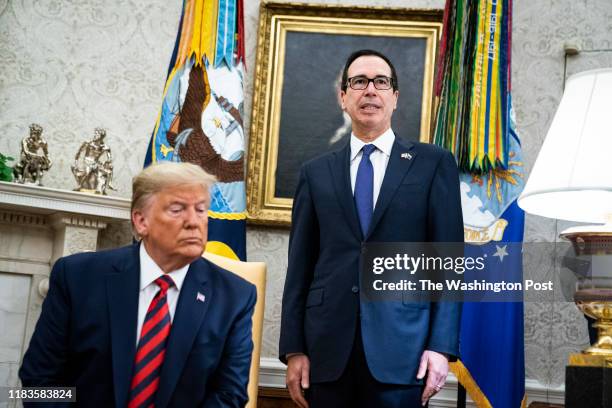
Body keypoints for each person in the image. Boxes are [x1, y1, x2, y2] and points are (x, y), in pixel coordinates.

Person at [279, 50, 463, 408]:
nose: (370, 90)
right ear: (343, 97)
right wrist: (294, 349)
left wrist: (441, 347)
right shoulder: (315, 172)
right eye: (358, 82)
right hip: (327, 351)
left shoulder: (432, 164)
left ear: (395, 97)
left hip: (403, 350)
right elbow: (299, 267)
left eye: (381, 82)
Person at [20, 162, 256, 407]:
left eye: (201, 210)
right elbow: (38, 383)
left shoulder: (235, 297)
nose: (193, 222)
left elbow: (229, 396)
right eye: (177, 209)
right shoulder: (77, 277)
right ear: (141, 221)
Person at [71, 127, 115, 194]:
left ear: (101, 137)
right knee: (88, 170)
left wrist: (107, 161)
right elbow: (78, 153)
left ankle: (106, 185)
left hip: (96, 162)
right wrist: (76, 162)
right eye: (95, 134)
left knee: (108, 169)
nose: (95, 135)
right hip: (87, 161)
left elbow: (109, 158)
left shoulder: (105, 147)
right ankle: (80, 186)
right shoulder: (88, 143)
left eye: (97, 134)